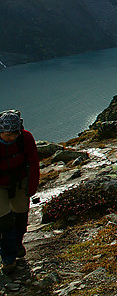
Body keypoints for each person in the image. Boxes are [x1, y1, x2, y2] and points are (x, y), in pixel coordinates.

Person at [0, 110, 39, 275]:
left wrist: (31, 188)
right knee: (5, 221)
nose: (11, 137)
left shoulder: (26, 138)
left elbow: (33, 163)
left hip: (19, 181)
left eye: (14, 134)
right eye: (7, 134)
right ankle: (8, 259)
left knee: (21, 217)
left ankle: (16, 245)